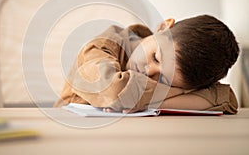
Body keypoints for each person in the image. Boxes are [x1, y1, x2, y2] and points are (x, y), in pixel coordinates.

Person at [54, 15, 239, 114]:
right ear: (163, 27)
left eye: (164, 80)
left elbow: (227, 99)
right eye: (156, 58)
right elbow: (115, 91)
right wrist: (177, 93)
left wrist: (153, 101)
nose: (149, 71)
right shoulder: (103, 46)